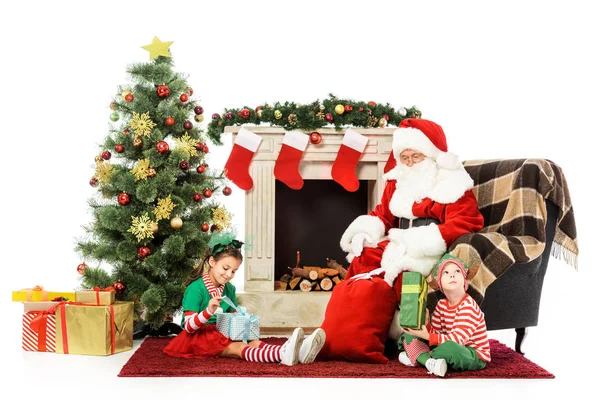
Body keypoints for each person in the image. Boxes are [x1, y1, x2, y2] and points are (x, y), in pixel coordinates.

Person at [340, 118, 484, 289]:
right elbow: (383, 214)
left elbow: (466, 222)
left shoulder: (452, 182)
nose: (409, 163)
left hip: (428, 251)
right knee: (363, 259)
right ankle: (356, 308)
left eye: (416, 156)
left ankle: (382, 308)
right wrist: (363, 233)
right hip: (396, 245)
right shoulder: (398, 180)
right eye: (405, 158)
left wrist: (416, 242)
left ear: (431, 155)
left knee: (403, 277)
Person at [164, 230, 326, 365]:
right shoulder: (196, 289)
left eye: (233, 271)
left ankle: (295, 352)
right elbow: (189, 327)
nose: (229, 274)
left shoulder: (229, 288)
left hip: (222, 331)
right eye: (225, 268)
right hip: (199, 338)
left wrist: (243, 317)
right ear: (212, 262)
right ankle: (283, 355)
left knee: (253, 341)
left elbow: (233, 315)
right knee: (239, 348)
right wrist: (207, 311)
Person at [398, 254, 490, 377]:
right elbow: (436, 334)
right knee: (409, 335)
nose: (452, 275)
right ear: (440, 283)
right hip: (444, 344)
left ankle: (418, 357)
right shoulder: (441, 305)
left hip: (471, 353)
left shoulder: (468, 306)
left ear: (464, 281)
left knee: (450, 348)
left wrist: (426, 336)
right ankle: (429, 361)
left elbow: (457, 340)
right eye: (446, 273)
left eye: (457, 271)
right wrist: (427, 325)